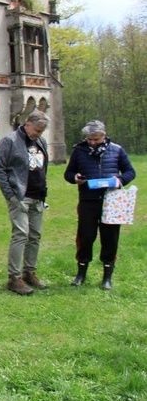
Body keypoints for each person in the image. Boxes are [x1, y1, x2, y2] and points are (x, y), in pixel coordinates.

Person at [64, 120, 135, 289]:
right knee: (85, 237)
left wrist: (120, 180)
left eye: (96, 139)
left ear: (104, 136)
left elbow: (130, 171)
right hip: (88, 200)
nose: (93, 142)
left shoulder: (117, 150)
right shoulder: (78, 151)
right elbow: (68, 173)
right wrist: (75, 178)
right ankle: (81, 274)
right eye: (90, 139)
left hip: (111, 201)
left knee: (110, 237)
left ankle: (107, 277)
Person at [0, 110, 50, 295]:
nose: (38, 135)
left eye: (41, 132)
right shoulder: (9, 141)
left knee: (35, 236)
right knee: (20, 234)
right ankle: (14, 278)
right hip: (19, 197)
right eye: (36, 131)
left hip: (38, 197)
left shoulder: (40, 142)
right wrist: (10, 195)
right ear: (27, 125)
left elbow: (43, 166)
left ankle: (29, 273)